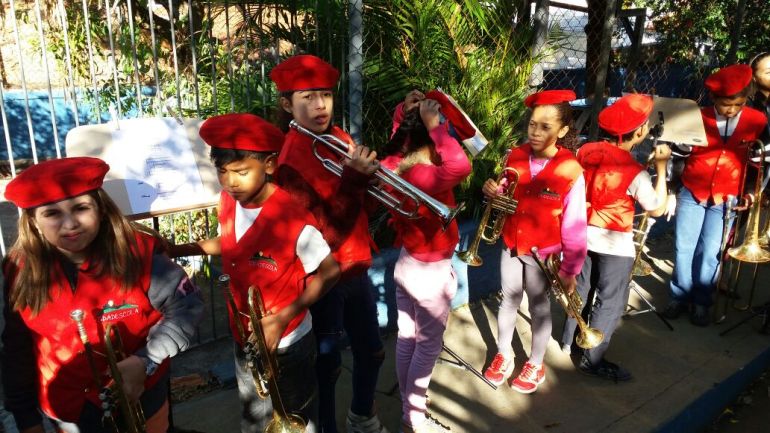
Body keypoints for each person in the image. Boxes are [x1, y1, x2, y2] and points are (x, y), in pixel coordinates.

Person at [1, 156, 204, 433]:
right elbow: (17, 347)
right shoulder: (19, 270)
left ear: (101, 208)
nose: (70, 224)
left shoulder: (142, 257)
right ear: (34, 222)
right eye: (52, 213)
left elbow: (186, 307)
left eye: (81, 208)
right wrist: (26, 417)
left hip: (144, 395)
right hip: (71, 410)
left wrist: (147, 360)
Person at [169, 113, 340, 433]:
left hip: (287, 340)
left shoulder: (292, 218)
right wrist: (181, 249)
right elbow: (233, 244)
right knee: (255, 418)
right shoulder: (228, 201)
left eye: (242, 172)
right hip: (244, 335)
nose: (230, 181)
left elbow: (330, 272)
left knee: (298, 417)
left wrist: (283, 317)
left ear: (271, 166)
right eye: (223, 172)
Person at [269, 54, 389, 433]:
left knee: (373, 351)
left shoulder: (337, 138)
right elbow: (322, 238)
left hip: (356, 266)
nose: (320, 105)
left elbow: (361, 208)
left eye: (326, 95)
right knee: (327, 364)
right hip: (324, 279)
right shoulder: (289, 163)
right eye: (308, 97)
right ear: (287, 104)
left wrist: (372, 183)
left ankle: (362, 415)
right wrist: (354, 182)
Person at [481, 90, 587, 393]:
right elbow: (505, 193)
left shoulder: (571, 170)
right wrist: (494, 193)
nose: (536, 132)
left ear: (563, 130)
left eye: (546, 127)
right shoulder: (515, 155)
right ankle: (504, 354)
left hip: (544, 255)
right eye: (532, 124)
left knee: (540, 308)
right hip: (511, 244)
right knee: (509, 300)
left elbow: (575, 225)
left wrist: (570, 270)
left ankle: (536, 363)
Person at [560, 94, 671, 381]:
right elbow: (656, 208)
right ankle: (591, 358)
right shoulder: (634, 171)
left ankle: (569, 339)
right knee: (610, 301)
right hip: (614, 242)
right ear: (638, 133)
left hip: (582, 233)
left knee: (581, 289)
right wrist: (661, 168)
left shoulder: (585, 151)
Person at [380, 90, 472, 433]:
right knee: (428, 346)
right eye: (441, 128)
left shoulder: (393, 164)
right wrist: (436, 128)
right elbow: (461, 165)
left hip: (406, 264)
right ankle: (414, 418)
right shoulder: (425, 175)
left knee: (407, 338)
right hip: (430, 273)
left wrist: (405, 111)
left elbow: (397, 138)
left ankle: (408, 402)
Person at [664, 64, 768, 326]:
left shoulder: (758, 120)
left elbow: (760, 162)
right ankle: (679, 297)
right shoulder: (697, 116)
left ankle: (702, 301)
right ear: (714, 99)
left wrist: (752, 193)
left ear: (747, 98)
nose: (731, 110)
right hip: (692, 190)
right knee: (684, 246)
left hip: (729, 195)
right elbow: (678, 158)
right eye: (725, 104)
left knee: (711, 251)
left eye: (738, 104)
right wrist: (672, 190)